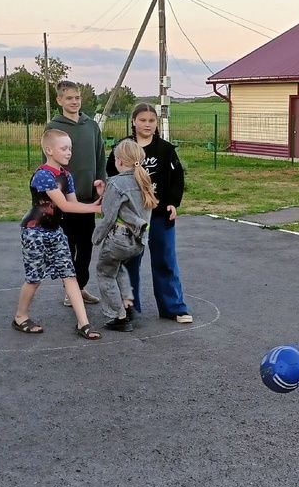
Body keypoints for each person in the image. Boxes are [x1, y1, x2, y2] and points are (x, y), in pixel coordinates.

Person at [12, 129, 104, 340]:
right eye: (64, 148)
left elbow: (73, 203)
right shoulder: (43, 175)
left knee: (70, 275)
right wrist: (96, 209)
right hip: (34, 233)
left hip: (55, 232)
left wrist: (98, 203)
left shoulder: (66, 175)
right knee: (34, 278)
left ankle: (84, 323)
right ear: (49, 150)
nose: (69, 152)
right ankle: (20, 316)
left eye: (70, 148)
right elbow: (63, 205)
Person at [108, 103, 191, 323]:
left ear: (157, 123)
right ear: (133, 121)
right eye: (142, 120)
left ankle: (174, 307)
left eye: (151, 120)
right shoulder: (122, 147)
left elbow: (177, 179)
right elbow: (110, 175)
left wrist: (173, 203)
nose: (147, 124)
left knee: (165, 260)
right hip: (131, 217)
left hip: (160, 215)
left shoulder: (165, 150)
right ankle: (129, 309)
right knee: (129, 262)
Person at [46, 80, 105, 309]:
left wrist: (102, 181)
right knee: (68, 247)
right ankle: (71, 291)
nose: (74, 102)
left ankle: (79, 287)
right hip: (65, 200)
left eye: (77, 97)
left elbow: (101, 156)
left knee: (87, 245)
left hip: (88, 197)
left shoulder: (91, 126)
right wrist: (53, 195)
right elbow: (49, 162)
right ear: (60, 100)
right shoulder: (54, 127)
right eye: (69, 98)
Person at [91, 140, 158, 332]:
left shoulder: (116, 183)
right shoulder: (144, 181)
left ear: (119, 161)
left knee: (104, 272)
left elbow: (109, 215)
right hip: (137, 242)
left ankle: (118, 316)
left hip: (118, 240)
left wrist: (96, 237)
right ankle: (128, 306)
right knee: (118, 269)